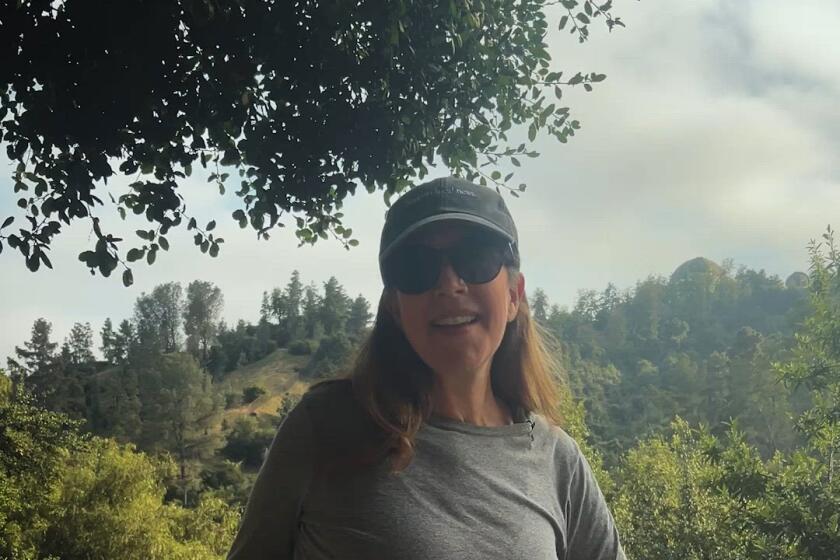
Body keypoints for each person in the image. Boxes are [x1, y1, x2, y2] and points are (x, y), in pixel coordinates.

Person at [227, 176, 626, 560]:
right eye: (417, 267)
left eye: (475, 258)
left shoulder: (557, 460)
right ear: (396, 308)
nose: (449, 283)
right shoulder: (326, 426)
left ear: (513, 296)